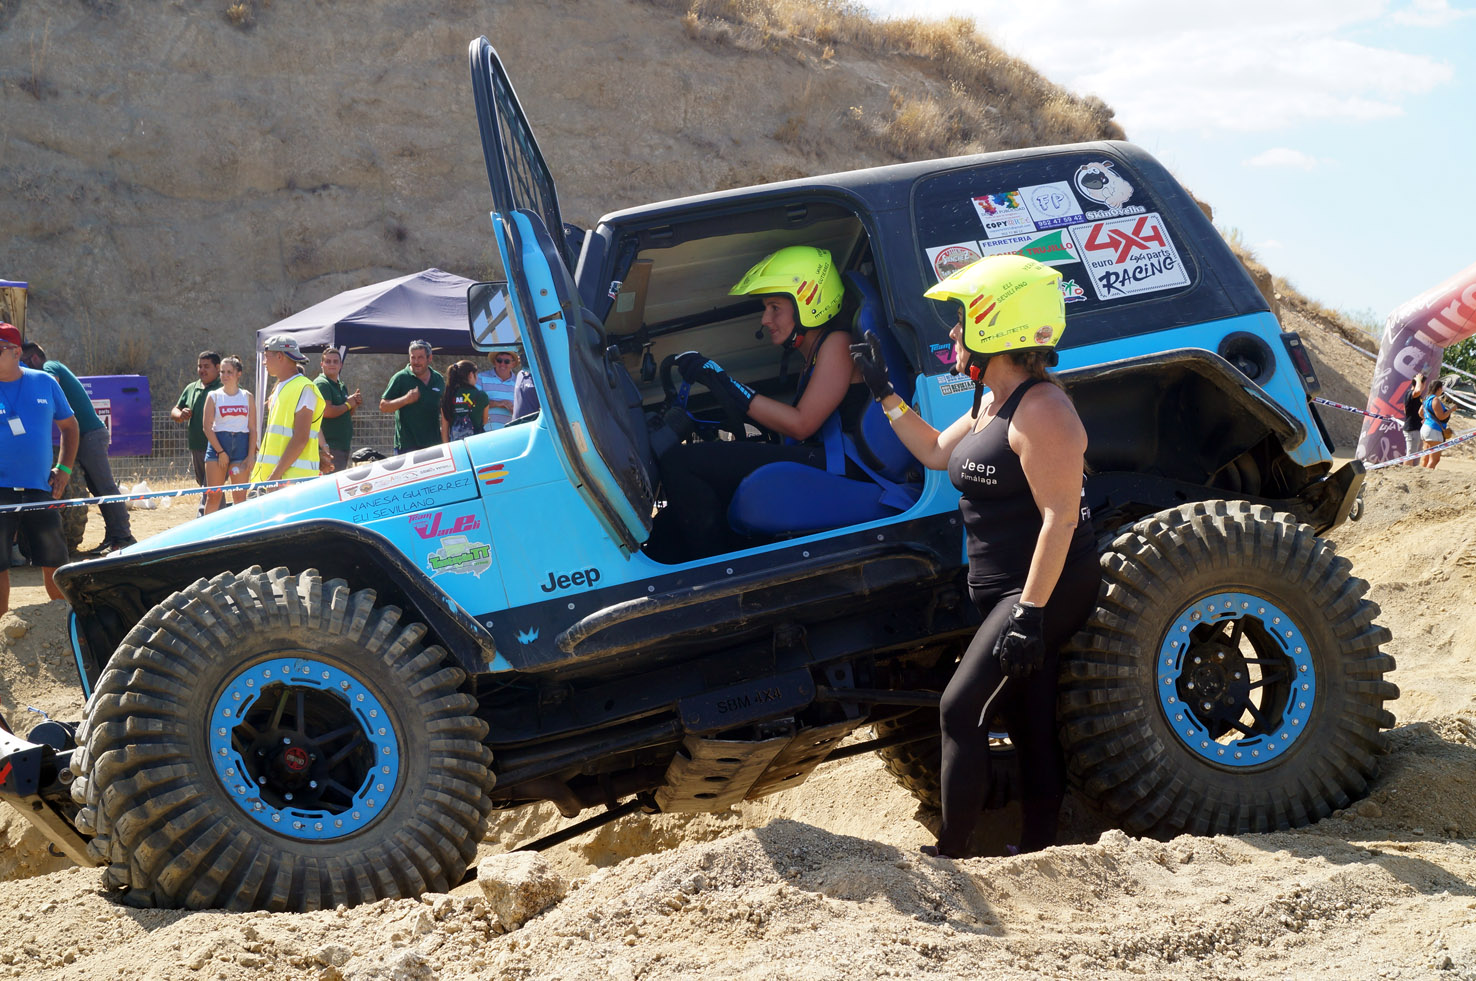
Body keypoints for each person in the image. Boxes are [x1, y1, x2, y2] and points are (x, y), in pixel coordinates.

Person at [849, 254, 1099, 858]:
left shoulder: (1043, 410)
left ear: (998, 327)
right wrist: (884, 392)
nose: (953, 334)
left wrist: (1031, 614)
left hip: (1041, 588)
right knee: (1032, 719)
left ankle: (953, 853)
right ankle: (1041, 848)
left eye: (961, 321)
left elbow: (1060, 518)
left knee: (960, 710)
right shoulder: (990, 404)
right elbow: (935, 452)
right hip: (1009, 590)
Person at [644, 245, 867, 562]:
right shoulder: (814, 356)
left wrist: (724, 382)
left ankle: (715, 573)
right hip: (825, 460)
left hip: (845, 467)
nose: (765, 319)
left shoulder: (838, 343)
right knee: (671, 525)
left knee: (681, 462)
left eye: (775, 307)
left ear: (809, 301)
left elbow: (802, 423)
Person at [19, 341, 135, 554]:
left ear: (34, 358)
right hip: (85, 435)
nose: (23, 367)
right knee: (97, 488)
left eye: (24, 362)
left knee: (105, 487)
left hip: (89, 434)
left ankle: (124, 536)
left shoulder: (49, 367)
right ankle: (114, 536)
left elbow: (50, 384)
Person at [0, 323, 79, 617]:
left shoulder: (45, 382)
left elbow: (70, 427)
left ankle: (63, 628)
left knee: (54, 561)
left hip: (39, 487)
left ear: (16, 351)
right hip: (0, 491)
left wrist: (64, 468)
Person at [249, 336, 324, 487]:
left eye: (266, 356)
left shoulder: (304, 388)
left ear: (279, 356)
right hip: (279, 480)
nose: (264, 362)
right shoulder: (281, 388)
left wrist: (275, 476)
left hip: (292, 481)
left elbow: (301, 438)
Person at [201, 355, 256, 514]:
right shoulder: (214, 396)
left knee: (240, 498)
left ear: (239, 373)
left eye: (229, 372)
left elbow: (252, 428)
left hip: (241, 446)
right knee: (214, 497)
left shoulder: (247, 396)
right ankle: (208, 535)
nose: (225, 376)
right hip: (219, 445)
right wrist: (220, 452)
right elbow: (207, 427)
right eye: (222, 372)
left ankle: (239, 535)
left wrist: (251, 454)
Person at [379, 340, 445, 453]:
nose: (416, 361)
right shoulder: (400, 378)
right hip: (406, 446)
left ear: (429, 358)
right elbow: (383, 406)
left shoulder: (438, 379)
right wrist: (406, 399)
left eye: (420, 357)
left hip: (433, 445)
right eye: (413, 357)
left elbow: (445, 408)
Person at [171, 351, 222, 492]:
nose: (202, 370)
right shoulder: (191, 388)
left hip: (218, 447)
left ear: (217, 368)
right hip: (197, 446)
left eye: (206, 366)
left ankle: (210, 512)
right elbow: (175, 410)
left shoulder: (225, 388)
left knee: (213, 486)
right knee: (204, 485)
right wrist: (180, 414)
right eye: (200, 366)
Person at [313, 348, 362, 473]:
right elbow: (327, 411)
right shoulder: (322, 384)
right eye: (328, 361)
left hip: (341, 447)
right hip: (329, 448)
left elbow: (347, 413)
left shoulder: (341, 385)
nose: (332, 364)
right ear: (322, 364)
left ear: (341, 365)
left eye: (335, 361)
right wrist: (348, 404)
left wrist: (353, 404)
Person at [441, 360, 490, 442]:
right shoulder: (482, 396)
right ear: (471, 374)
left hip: (456, 446)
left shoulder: (448, 395)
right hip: (476, 443)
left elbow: (444, 429)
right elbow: (484, 421)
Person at [476, 350, 519, 430]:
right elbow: (473, 403)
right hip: (483, 434)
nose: (502, 364)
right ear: (494, 362)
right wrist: (499, 403)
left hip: (509, 434)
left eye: (506, 361)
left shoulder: (519, 383)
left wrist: (515, 410)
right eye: (499, 360)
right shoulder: (480, 378)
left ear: (513, 364)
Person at [1421, 378, 1452, 469]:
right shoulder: (1435, 400)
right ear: (1438, 388)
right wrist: (1451, 410)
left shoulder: (1426, 399)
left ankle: (1421, 476)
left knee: (1426, 457)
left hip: (1426, 428)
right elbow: (1441, 416)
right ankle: (1426, 478)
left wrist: (1428, 418)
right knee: (1434, 459)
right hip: (1434, 430)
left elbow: (1420, 412)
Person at [1402, 372, 1427, 465]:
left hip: (1415, 428)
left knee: (1412, 454)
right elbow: (1417, 391)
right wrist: (1419, 380)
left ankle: (1407, 473)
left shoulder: (1417, 397)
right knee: (1410, 455)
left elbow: (1406, 410)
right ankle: (1405, 474)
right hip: (1412, 429)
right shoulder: (1410, 393)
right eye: (1423, 384)